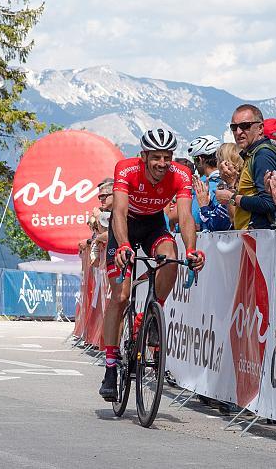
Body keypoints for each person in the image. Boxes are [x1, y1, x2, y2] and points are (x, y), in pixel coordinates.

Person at [99, 129, 206, 401]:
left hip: (153, 226)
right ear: (144, 156)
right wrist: (123, 245)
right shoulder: (126, 170)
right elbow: (119, 213)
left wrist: (192, 250)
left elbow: (184, 216)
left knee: (170, 257)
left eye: (167, 157)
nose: (162, 163)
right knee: (121, 296)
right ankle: (110, 366)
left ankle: (150, 315)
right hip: (125, 227)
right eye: (156, 157)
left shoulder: (180, 175)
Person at [215, 104, 276, 230]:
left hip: (263, 237)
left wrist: (231, 198)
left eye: (245, 126)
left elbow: (269, 203)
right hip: (254, 237)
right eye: (234, 127)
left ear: (260, 128)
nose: (238, 132)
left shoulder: (262, 156)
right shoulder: (252, 155)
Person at [188, 135, 231, 232]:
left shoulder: (201, 187)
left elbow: (192, 219)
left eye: (194, 159)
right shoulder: (229, 183)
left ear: (200, 160)